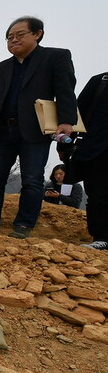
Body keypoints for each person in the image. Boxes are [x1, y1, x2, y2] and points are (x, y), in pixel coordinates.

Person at [0, 16, 77, 239]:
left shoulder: (55, 57)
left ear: (37, 34)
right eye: (9, 37)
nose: (13, 40)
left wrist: (66, 122)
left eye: (20, 35)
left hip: (35, 131)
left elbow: (65, 90)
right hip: (1, 131)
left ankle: (24, 225)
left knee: (32, 179)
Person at [72, 72, 108, 248]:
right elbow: (77, 112)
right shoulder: (100, 81)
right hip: (96, 149)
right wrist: (64, 145)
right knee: (97, 195)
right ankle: (101, 238)